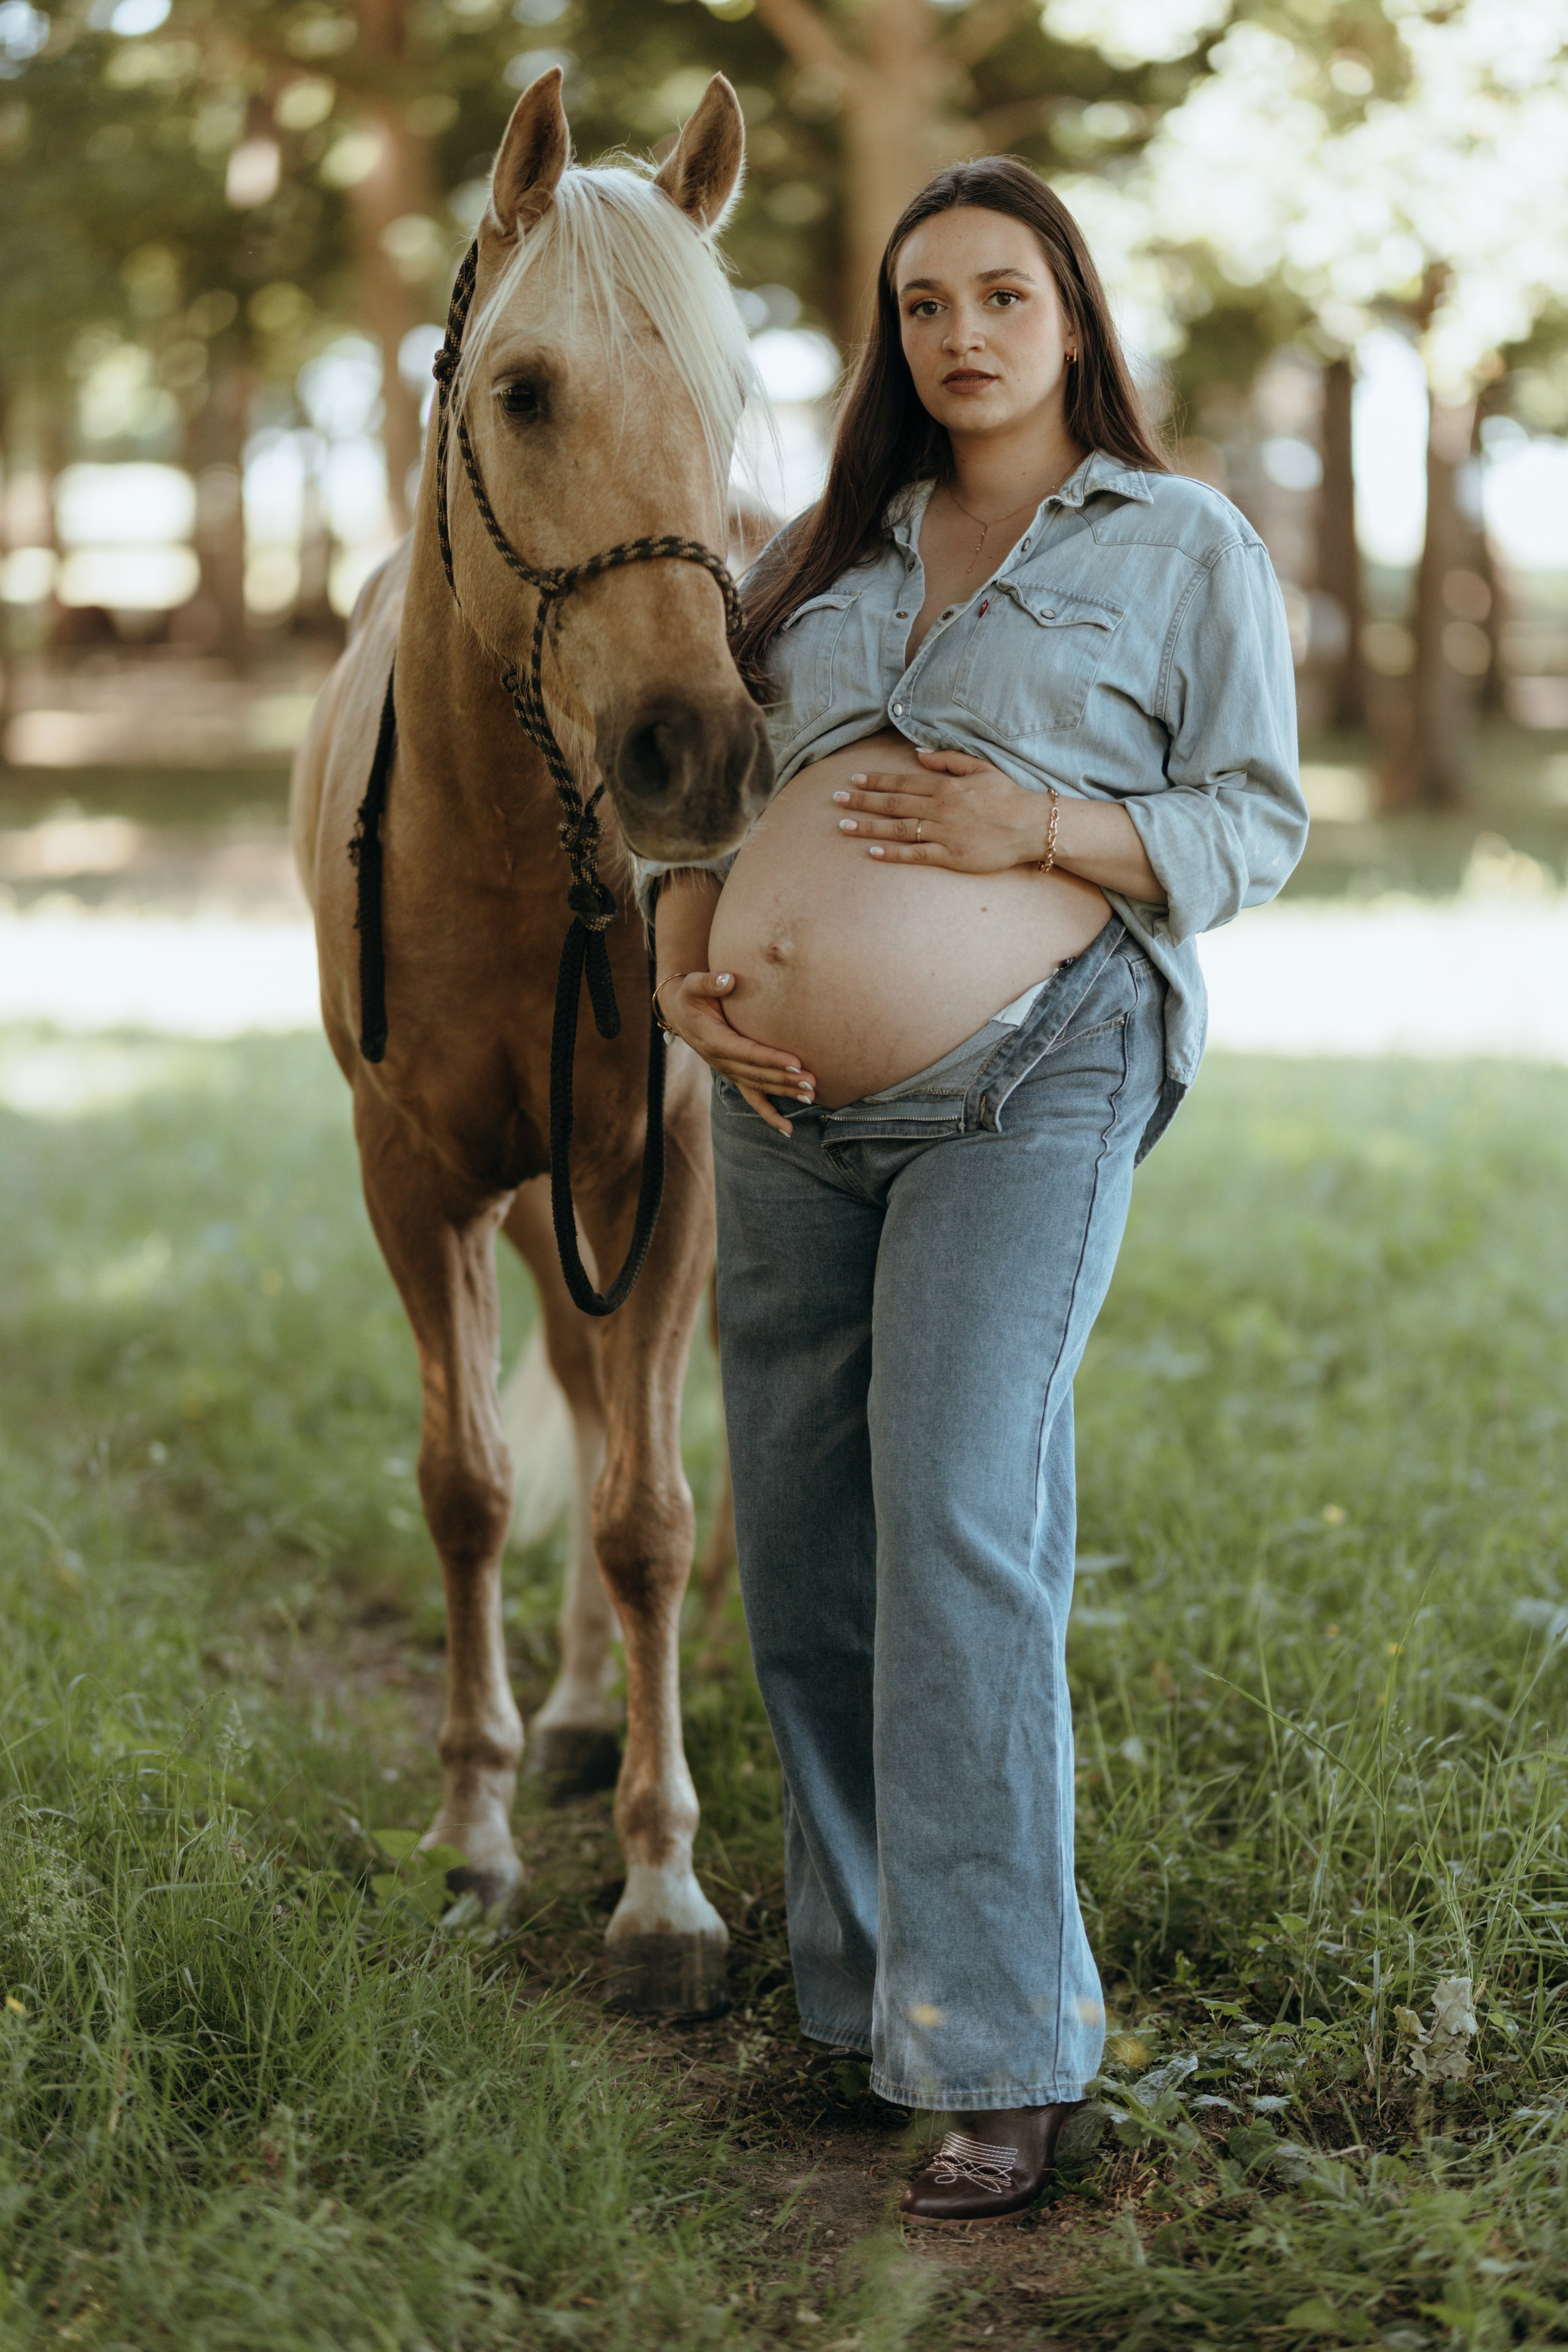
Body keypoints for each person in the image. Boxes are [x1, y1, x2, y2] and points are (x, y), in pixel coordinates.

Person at [645, 156, 1306, 2223]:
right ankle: (871, 2002)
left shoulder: (1181, 542)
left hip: (1040, 1075)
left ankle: (1002, 2047)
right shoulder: (820, 558)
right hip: (781, 1116)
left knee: (952, 1514)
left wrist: (1048, 827)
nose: (962, 335)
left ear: (1073, 317)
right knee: (807, 1554)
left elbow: (1254, 821)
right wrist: (685, 973)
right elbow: (708, 812)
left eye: (1002, 295)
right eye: (924, 304)